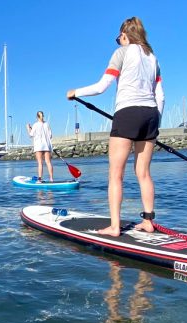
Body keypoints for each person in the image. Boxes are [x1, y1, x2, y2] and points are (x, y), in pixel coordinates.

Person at [67, 16, 164, 236]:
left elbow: (102, 86)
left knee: (115, 175)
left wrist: (75, 92)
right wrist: (155, 121)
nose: (118, 41)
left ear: (125, 34)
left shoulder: (121, 53)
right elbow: (161, 96)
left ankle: (114, 226)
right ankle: (148, 221)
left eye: (118, 37)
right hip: (151, 114)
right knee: (144, 173)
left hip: (127, 113)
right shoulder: (153, 58)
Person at [26, 111, 53, 182]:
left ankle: (40, 179)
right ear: (43, 116)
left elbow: (31, 135)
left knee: (40, 163)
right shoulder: (47, 124)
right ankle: (51, 179)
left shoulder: (35, 125)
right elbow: (50, 136)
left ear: (37, 117)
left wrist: (28, 128)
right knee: (48, 162)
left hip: (39, 146)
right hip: (47, 146)